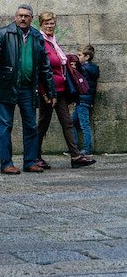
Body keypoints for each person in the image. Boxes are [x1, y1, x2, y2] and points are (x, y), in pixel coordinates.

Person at [0, 4, 56, 174]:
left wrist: (51, 91)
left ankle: (30, 161)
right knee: (5, 126)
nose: (23, 18)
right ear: (15, 17)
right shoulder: (4, 33)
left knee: (31, 126)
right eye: (20, 15)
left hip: (28, 89)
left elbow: (45, 66)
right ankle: (6, 164)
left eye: (26, 16)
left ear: (32, 19)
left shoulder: (37, 36)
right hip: (8, 87)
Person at [36, 13, 95, 169]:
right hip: (48, 91)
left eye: (52, 23)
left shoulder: (52, 41)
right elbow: (39, 69)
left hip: (60, 89)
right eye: (46, 23)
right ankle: (34, 156)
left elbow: (58, 63)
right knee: (43, 124)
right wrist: (45, 92)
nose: (50, 26)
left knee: (67, 123)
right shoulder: (40, 41)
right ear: (41, 24)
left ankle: (76, 157)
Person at [72, 44, 100, 159]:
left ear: (87, 57)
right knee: (72, 123)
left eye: (79, 55)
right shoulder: (93, 68)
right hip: (84, 100)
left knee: (84, 125)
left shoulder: (83, 68)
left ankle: (87, 150)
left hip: (82, 100)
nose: (77, 57)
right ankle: (74, 149)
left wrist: (74, 68)